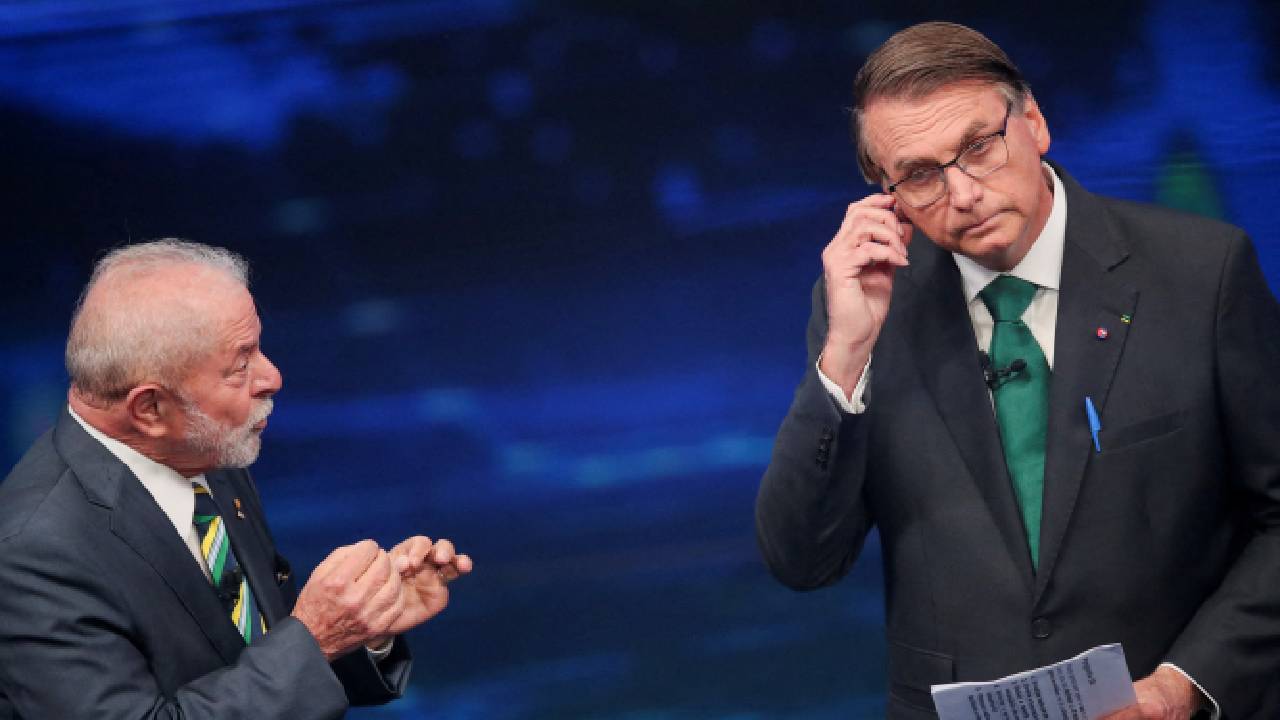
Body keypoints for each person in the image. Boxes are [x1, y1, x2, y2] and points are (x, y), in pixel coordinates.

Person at [755, 21, 1280, 720]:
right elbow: (802, 559)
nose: (963, 193)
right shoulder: (864, 307)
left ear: (1033, 122)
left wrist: (1182, 685)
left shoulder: (1201, 274)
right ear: (887, 193)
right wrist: (845, 355)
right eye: (919, 175)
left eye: (978, 148)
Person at [0, 240, 473, 718]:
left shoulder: (208, 457)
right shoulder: (31, 555)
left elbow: (258, 660)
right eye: (240, 365)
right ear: (150, 408)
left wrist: (365, 625)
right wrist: (314, 638)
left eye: (257, 348)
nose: (273, 377)